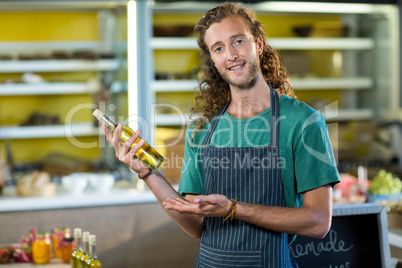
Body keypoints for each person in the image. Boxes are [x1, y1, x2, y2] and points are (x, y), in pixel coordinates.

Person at [103, 2, 340, 267]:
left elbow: (318, 222)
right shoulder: (202, 130)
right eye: (218, 48)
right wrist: (146, 172)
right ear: (214, 61)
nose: (231, 55)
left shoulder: (303, 122)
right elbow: (196, 226)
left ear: (258, 45)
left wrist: (233, 208)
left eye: (238, 41)